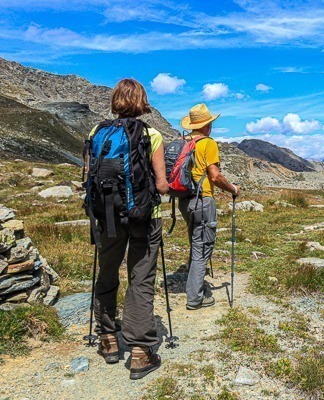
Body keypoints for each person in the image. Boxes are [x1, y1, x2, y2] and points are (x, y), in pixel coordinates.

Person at [88, 79, 168, 380]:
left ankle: (108, 339)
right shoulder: (151, 134)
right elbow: (161, 184)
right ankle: (140, 351)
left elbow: (90, 176)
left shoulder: (97, 133)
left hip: (106, 218)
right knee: (141, 278)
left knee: (107, 272)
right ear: (142, 102)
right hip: (143, 218)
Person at [178, 103, 239, 310]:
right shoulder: (208, 143)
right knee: (202, 249)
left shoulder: (184, 143)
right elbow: (215, 176)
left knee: (196, 243)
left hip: (185, 200)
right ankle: (195, 298)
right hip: (203, 200)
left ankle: (196, 286)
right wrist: (232, 189)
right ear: (207, 125)